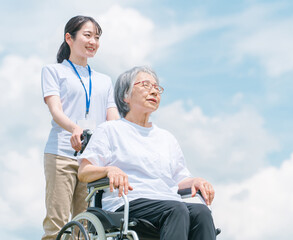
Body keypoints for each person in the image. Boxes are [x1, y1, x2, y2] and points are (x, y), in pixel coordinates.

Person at [78, 66, 217, 240]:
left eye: (157, 88)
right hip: (129, 203)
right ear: (125, 96)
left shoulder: (167, 138)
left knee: (201, 212)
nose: (154, 91)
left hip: (168, 203)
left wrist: (196, 181)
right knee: (176, 209)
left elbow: (179, 179)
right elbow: (84, 172)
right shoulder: (110, 130)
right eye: (145, 85)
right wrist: (108, 170)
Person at [41, 15, 119, 239]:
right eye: (87, 35)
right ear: (69, 38)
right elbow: (56, 111)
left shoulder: (104, 80)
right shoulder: (53, 71)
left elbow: (112, 119)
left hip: (92, 160)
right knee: (56, 224)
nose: (93, 41)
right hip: (61, 154)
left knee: (85, 226)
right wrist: (75, 128)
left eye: (96, 37)